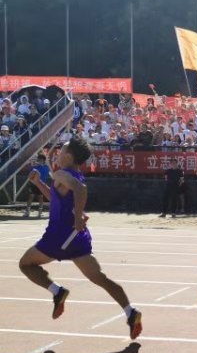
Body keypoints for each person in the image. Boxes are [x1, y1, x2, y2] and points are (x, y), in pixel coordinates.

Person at [18, 137, 142, 340]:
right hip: (77, 238)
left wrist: (77, 217)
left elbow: (80, 189)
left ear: (68, 156)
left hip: (59, 235)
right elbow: (57, 198)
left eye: (61, 150)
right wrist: (38, 183)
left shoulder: (61, 174)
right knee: (99, 278)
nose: (57, 154)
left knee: (25, 264)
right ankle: (131, 312)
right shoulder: (72, 174)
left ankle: (57, 291)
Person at [25, 153, 50, 218]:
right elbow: (30, 175)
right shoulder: (34, 167)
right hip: (34, 184)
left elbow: (50, 169)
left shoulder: (47, 167)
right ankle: (27, 212)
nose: (39, 161)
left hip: (41, 184)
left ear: (44, 160)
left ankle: (40, 213)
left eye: (41, 160)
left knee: (40, 197)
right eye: (38, 159)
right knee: (31, 196)